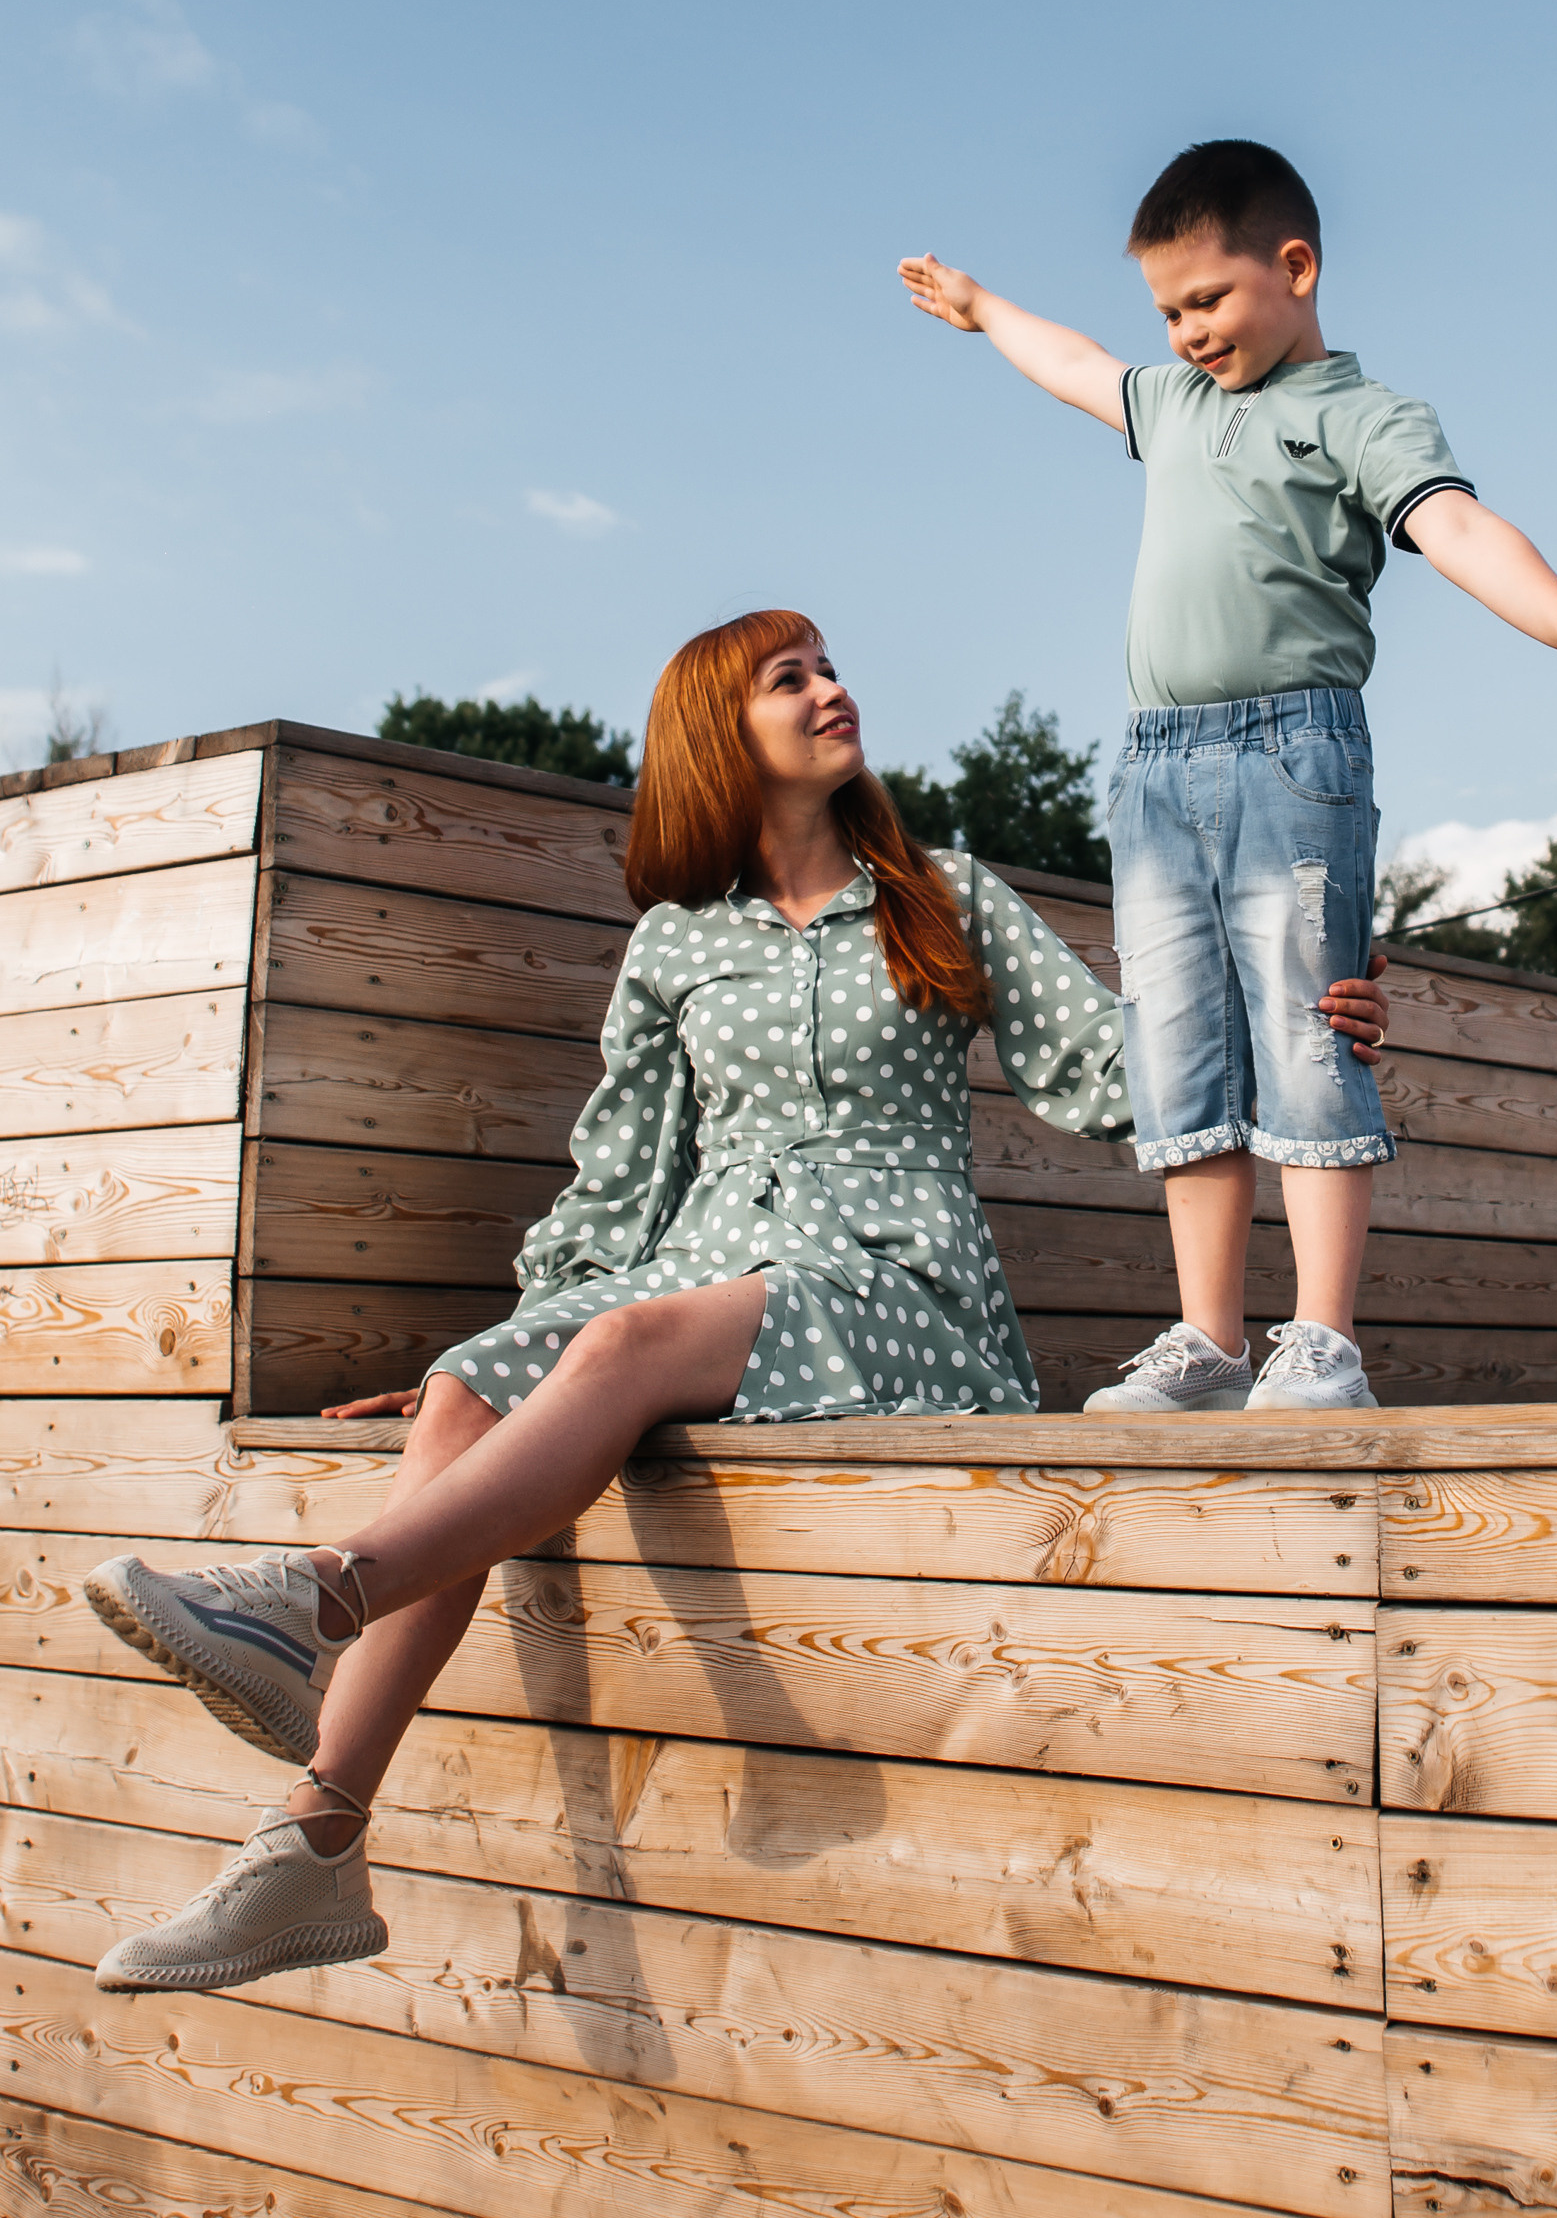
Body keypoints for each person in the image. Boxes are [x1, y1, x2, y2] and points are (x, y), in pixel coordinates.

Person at [80, 603, 1391, 1996]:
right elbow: (621, 1175)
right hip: (703, 1268)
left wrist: (1308, 1014)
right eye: (791, 678)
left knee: (629, 1338)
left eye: (829, 668)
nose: (832, 690)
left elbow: (1127, 1073)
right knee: (471, 1381)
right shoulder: (674, 945)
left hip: (896, 1278)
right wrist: (507, 1345)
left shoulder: (942, 893)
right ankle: (313, 1843)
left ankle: (318, 1595)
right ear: (722, 731)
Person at [900, 137, 1557, 1418]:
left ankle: (1321, 1341)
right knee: (1178, 1045)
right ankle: (1208, 1342)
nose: (1187, 332)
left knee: (1313, 1032)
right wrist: (985, 310)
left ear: (1296, 267)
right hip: (1155, 766)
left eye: (1207, 300)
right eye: (1168, 311)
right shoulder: (1178, 407)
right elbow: (1077, 370)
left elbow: (1459, 526)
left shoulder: (1363, 418)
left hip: (1292, 754)